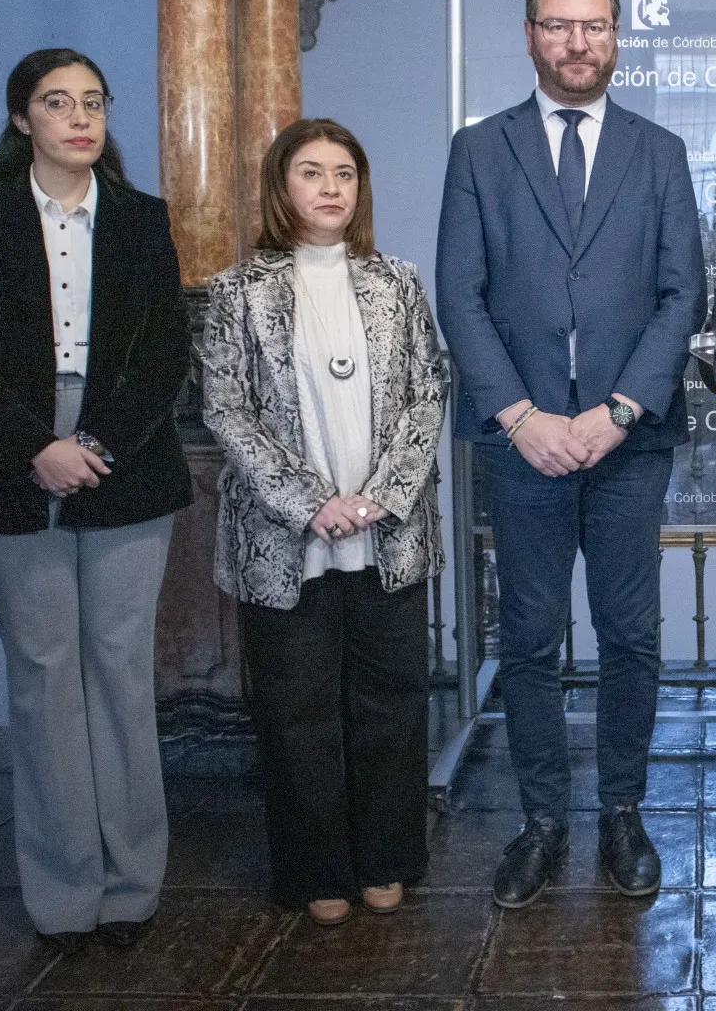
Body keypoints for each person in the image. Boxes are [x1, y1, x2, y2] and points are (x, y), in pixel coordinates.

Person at [436, 0, 706, 909]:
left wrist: (619, 409)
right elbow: (459, 297)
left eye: (594, 25)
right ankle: (542, 819)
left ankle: (624, 812)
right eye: (559, 25)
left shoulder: (660, 151)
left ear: (617, 35)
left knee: (632, 635)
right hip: (525, 443)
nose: (578, 42)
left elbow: (683, 294)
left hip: (628, 440)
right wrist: (520, 416)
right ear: (529, 35)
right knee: (532, 637)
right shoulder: (481, 151)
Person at [0, 48, 191, 952]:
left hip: (124, 449)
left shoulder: (142, 219)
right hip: (10, 454)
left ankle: (130, 886)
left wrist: (91, 445)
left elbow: (165, 357)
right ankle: (62, 891)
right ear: (22, 120)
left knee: (118, 672)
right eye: (56, 102)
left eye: (93, 101)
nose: (79, 117)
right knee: (44, 680)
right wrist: (36, 449)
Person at [203, 118, 447, 926]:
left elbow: (428, 393)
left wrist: (375, 497)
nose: (332, 187)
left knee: (390, 702)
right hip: (286, 542)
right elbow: (228, 412)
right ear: (282, 187)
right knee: (298, 711)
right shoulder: (239, 290)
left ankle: (386, 860)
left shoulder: (397, 283)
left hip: (387, 535)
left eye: (345, 173)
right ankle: (317, 872)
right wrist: (313, 502)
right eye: (312, 172)